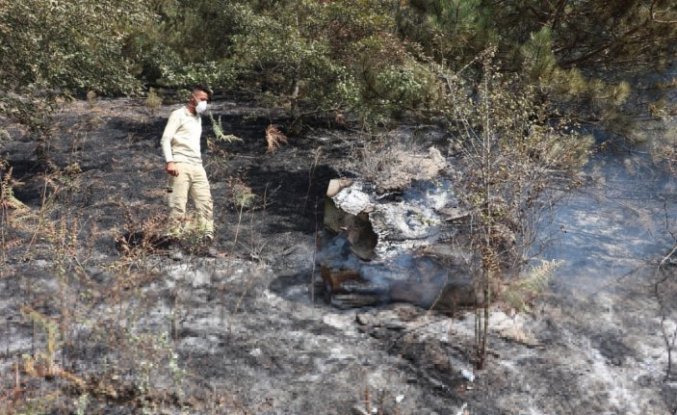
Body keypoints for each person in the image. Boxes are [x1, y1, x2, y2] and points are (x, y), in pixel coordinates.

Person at [160, 86, 215, 250]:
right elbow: (165, 139)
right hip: (180, 163)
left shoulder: (198, 118)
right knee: (178, 203)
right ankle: (174, 243)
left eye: (206, 100)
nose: (204, 103)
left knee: (205, 203)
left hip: (197, 165)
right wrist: (170, 161)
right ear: (193, 98)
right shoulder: (178, 114)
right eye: (202, 99)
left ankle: (206, 242)